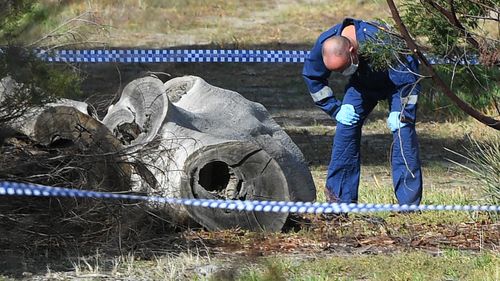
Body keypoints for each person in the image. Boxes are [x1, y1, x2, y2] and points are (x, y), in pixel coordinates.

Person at [302, 18, 422, 206]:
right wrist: (335, 108)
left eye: (344, 68)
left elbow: (409, 79)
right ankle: (339, 202)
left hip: (399, 86)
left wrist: (403, 111)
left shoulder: (381, 38)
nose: (343, 73)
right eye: (338, 71)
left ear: (352, 51)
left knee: (403, 133)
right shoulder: (325, 42)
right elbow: (312, 77)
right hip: (362, 87)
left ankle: (409, 204)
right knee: (345, 130)